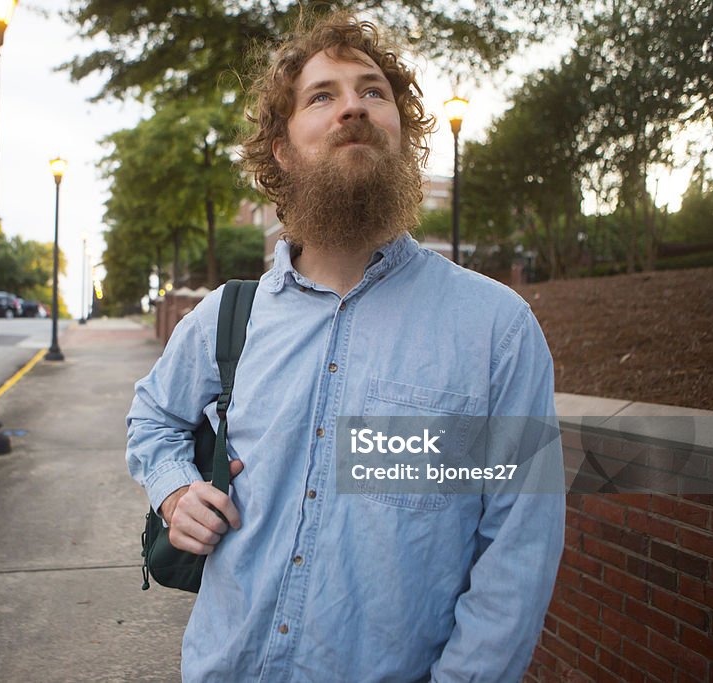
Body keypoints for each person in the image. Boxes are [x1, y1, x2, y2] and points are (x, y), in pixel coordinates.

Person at [126, 12, 564, 682]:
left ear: (402, 132)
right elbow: (152, 415)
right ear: (281, 148)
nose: (353, 106)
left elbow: (517, 551)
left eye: (374, 91)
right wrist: (174, 489)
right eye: (322, 95)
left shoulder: (497, 328)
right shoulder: (226, 317)